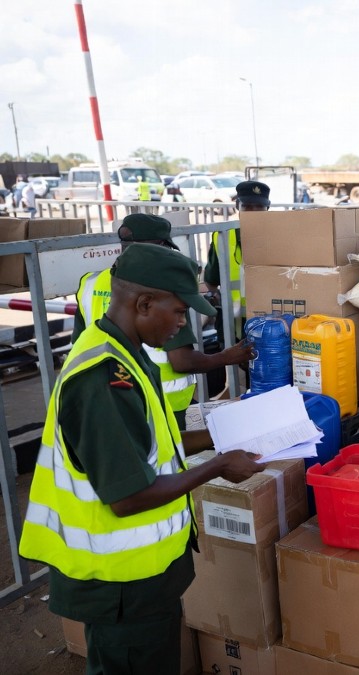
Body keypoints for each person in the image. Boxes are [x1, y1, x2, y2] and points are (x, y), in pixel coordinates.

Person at [19, 243, 265, 674]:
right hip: (119, 583)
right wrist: (219, 465)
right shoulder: (102, 381)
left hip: (142, 578)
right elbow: (129, 497)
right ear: (144, 302)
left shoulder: (127, 354)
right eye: (179, 312)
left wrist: (220, 436)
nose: (184, 325)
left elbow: (153, 445)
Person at [73, 213, 253, 429]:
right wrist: (226, 357)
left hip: (122, 395)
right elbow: (182, 361)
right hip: (164, 403)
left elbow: (80, 342)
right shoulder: (162, 291)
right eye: (180, 312)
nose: (181, 321)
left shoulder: (91, 283)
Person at [204, 180, 271, 336]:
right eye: (247, 207)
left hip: (272, 321)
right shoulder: (222, 237)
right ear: (237, 207)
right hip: (233, 323)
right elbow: (211, 280)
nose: (253, 213)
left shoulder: (282, 236)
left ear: (268, 207)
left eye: (259, 207)